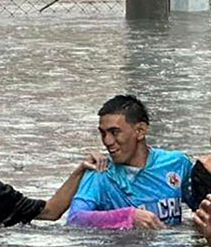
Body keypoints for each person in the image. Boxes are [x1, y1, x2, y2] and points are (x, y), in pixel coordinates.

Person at [67, 95, 194, 229]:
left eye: (114, 132)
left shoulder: (177, 163)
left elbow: (204, 209)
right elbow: (75, 219)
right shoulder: (100, 172)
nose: (107, 141)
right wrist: (128, 217)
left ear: (140, 131)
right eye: (103, 133)